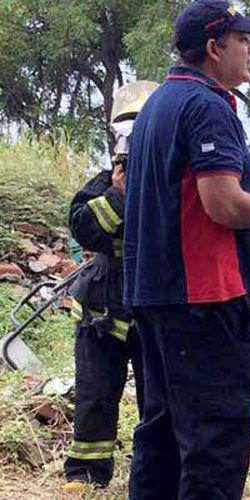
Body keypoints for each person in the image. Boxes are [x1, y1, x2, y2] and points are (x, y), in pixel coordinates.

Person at [123, 2, 250, 498]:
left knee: (160, 434)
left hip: (157, 297)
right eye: (244, 39)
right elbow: (221, 206)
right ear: (214, 48)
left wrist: (249, 200)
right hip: (206, 301)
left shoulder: (159, 103)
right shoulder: (207, 106)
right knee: (215, 440)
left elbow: (192, 199)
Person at [61, 80, 158, 493]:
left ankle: (152, 473)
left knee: (156, 401)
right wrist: (118, 195)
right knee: (95, 396)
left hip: (152, 311)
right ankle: (86, 473)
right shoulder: (102, 185)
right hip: (101, 311)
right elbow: (86, 231)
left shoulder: (169, 189)